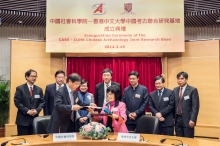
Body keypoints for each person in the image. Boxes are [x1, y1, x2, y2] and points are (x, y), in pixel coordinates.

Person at [14, 69, 45, 135]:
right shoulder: (20, 88)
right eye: (32, 76)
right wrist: (27, 111)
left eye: (35, 76)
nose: (34, 78)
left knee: (33, 141)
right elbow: (17, 102)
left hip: (35, 120)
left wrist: (36, 110)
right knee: (23, 141)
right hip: (23, 120)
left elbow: (42, 102)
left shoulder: (39, 89)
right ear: (26, 77)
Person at [174, 71, 200, 138]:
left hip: (188, 119)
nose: (180, 80)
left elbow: (195, 106)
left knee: (188, 139)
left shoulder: (192, 90)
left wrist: (193, 119)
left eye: (182, 79)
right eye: (178, 79)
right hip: (177, 118)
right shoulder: (175, 90)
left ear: (186, 79)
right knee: (179, 139)